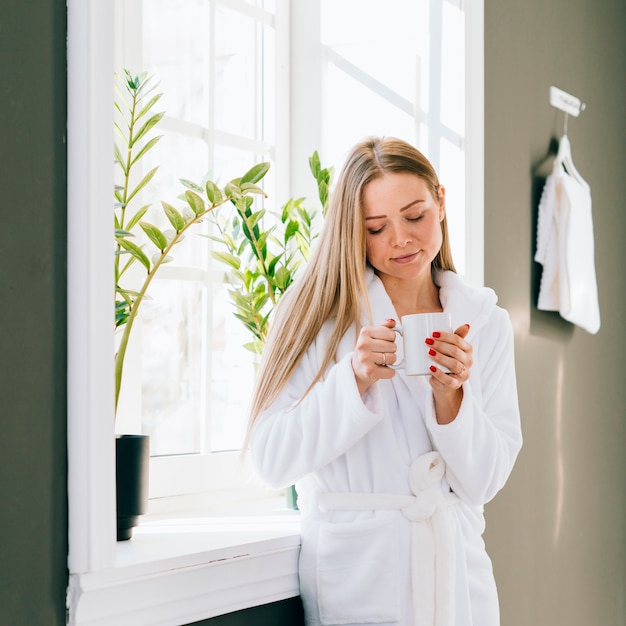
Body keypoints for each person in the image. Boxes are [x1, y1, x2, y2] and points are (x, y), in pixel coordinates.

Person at [247, 136, 522, 626]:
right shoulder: (316, 316)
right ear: (352, 231)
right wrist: (351, 380)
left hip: (458, 581)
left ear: (440, 201)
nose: (400, 239)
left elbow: (485, 481)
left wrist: (451, 397)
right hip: (359, 577)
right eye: (376, 227)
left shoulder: (484, 320)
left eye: (415, 216)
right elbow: (269, 459)